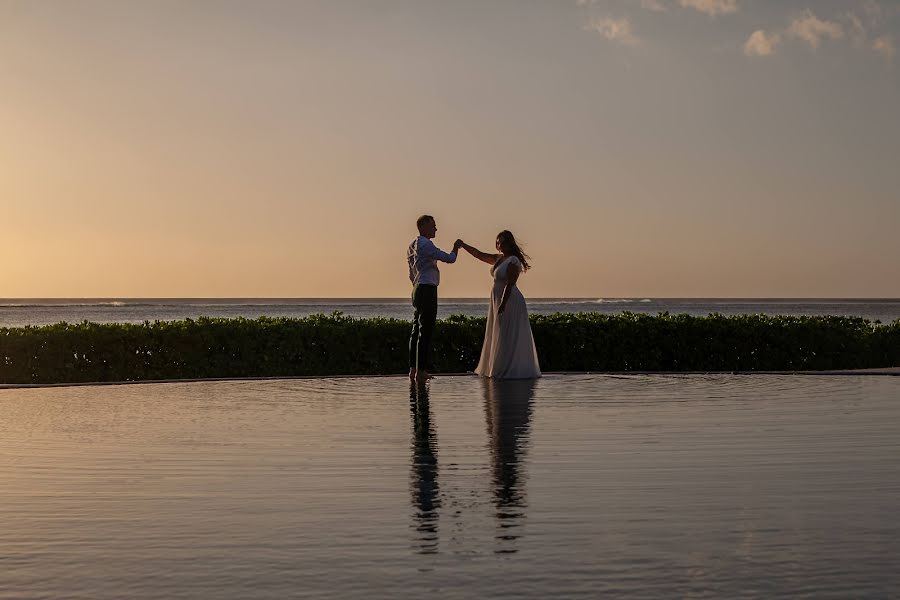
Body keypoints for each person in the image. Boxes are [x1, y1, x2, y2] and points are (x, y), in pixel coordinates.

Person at [458, 231, 541, 379]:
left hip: (510, 300)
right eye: (498, 242)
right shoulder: (499, 259)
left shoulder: (513, 261)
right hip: (497, 298)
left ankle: (507, 369)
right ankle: (497, 368)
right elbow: (479, 254)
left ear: (509, 243)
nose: (499, 245)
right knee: (498, 332)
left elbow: (510, 284)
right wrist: (463, 245)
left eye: (502, 242)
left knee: (506, 334)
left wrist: (503, 303)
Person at [407, 215, 462, 383]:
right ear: (423, 227)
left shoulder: (411, 246)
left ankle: (414, 369)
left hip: (417, 288)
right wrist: (456, 247)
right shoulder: (425, 244)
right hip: (427, 288)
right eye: (433, 226)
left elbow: (411, 273)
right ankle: (421, 371)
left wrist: (416, 286)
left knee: (416, 330)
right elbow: (449, 259)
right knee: (425, 330)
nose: (436, 229)